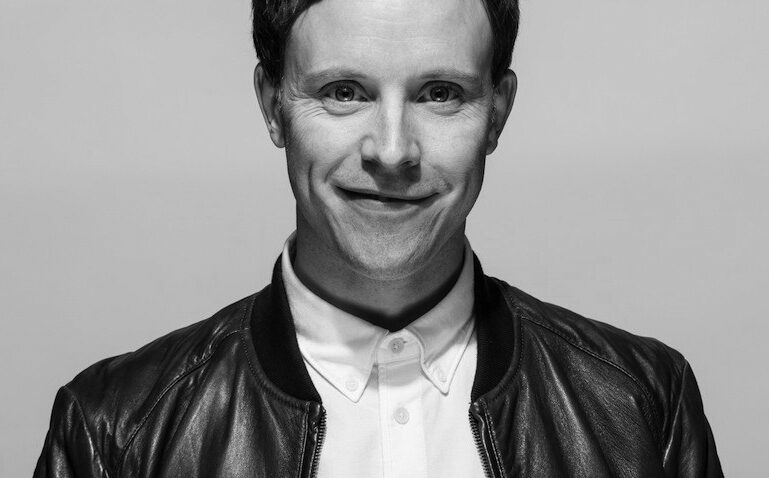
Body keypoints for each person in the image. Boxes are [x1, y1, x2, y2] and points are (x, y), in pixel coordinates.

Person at [34, 0, 723, 476]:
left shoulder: (639, 400)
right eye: (342, 90)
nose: (391, 150)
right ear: (271, 104)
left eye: (440, 93)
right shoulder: (115, 431)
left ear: (497, 112)